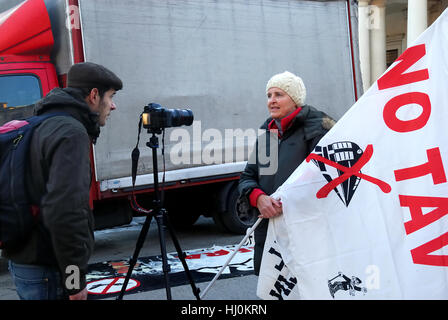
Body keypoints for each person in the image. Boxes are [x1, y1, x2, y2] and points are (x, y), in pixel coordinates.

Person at [2, 62, 123, 300]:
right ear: (94, 95)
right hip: (47, 268)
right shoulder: (71, 133)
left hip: (24, 260)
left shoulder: (43, 123)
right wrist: (74, 282)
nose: (113, 105)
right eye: (111, 97)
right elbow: (66, 213)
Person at [238, 71, 335, 275]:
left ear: (295, 99)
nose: (272, 101)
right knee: (272, 290)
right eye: (269, 95)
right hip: (269, 233)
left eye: (279, 95)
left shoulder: (317, 129)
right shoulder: (269, 135)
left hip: (305, 233)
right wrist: (258, 198)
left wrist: (287, 202)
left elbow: (325, 181)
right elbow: (248, 177)